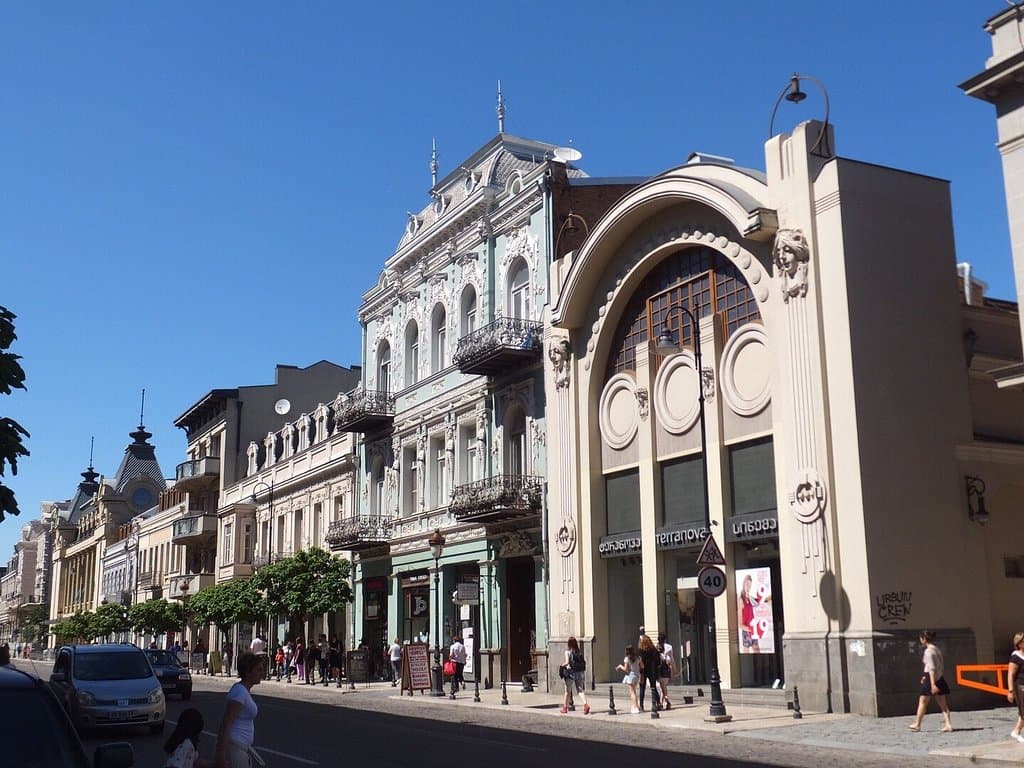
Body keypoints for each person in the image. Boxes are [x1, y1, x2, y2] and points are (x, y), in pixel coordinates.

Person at [215, 651, 262, 768]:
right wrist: (221, 755)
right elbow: (226, 723)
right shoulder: (240, 692)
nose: (262, 673)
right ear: (247, 672)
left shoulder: (243, 691)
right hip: (235, 748)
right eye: (258, 670)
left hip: (241, 748)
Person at [908, 630, 953, 732]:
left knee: (923, 702)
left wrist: (932, 684)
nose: (920, 640)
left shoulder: (928, 651)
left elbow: (931, 668)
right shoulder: (936, 649)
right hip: (939, 677)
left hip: (932, 679)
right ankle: (948, 724)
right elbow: (938, 666)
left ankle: (917, 724)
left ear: (924, 639)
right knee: (943, 703)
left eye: (921, 638)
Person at [559, 636, 590, 715]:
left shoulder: (567, 652)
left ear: (569, 644)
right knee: (580, 690)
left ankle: (565, 707)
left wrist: (561, 666)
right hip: (579, 672)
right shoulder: (579, 652)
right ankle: (585, 704)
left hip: (571, 673)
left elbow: (567, 662)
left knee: (567, 691)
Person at [638, 633, 661, 713]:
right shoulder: (654, 650)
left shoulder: (641, 651)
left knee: (642, 688)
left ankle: (641, 706)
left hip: (643, 671)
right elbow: (658, 661)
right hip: (652, 670)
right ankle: (657, 703)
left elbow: (640, 661)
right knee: (653, 687)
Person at [737, 574, 760, 655]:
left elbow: (758, 603)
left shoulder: (749, 598)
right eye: (747, 585)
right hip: (747, 631)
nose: (748, 587)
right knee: (746, 654)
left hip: (753, 630)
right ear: (743, 584)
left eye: (750, 585)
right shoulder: (741, 600)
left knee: (757, 652)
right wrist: (750, 629)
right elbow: (740, 624)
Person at [1008, 632, 1024, 742]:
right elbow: (1010, 674)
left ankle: (1016, 731)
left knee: (1022, 712)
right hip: (1020, 686)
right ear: (1019, 643)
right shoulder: (1015, 656)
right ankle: (1017, 731)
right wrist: (1010, 691)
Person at [616, 644, 641, 714]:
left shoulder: (627, 659)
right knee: (635, 692)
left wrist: (620, 666)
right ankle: (636, 706)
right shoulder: (638, 658)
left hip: (631, 676)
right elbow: (642, 666)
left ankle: (635, 707)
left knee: (632, 693)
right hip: (637, 675)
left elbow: (626, 669)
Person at [657, 633, 674, 710]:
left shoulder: (656, 647)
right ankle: (664, 701)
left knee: (662, 687)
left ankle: (663, 702)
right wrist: (673, 668)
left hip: (659, 671)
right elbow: (671, 659)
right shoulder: (669, 647)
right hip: (666, 670)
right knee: (664, 686)